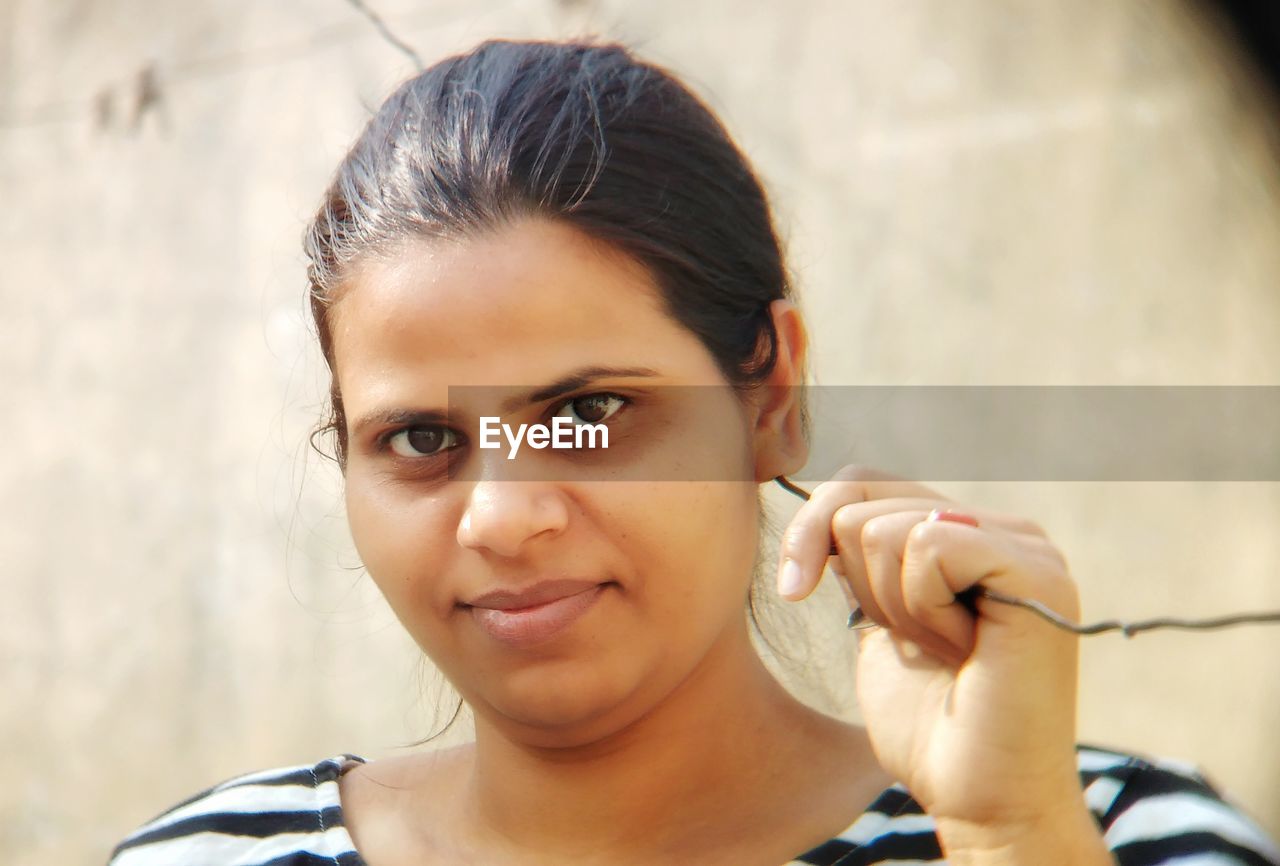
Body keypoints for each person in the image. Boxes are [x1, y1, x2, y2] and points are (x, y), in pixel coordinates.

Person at [107, 38, 1279, 866]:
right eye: (421, 437)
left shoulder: (1118, 835)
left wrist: (1006, 836)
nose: (502, 518)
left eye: (592, 410)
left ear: (768, 390)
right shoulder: (204, 857)